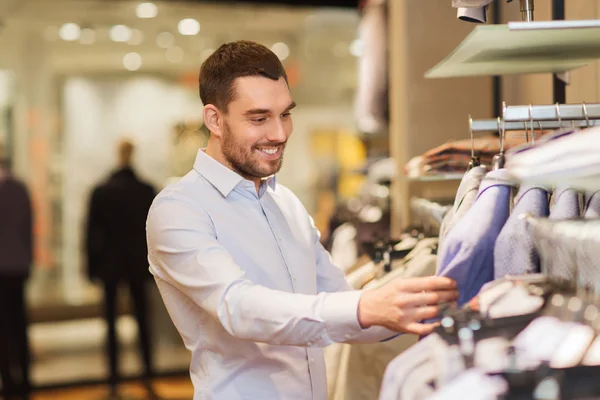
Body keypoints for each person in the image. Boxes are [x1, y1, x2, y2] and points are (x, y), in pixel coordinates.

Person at [146, 40, 459, 400]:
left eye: (285, 114)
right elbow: (239, 308)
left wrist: (441, 306)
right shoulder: (178, 209)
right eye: (259, 118)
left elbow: (345, 312)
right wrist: (364, 307)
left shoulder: (287, 203)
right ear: (214, 119)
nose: (279, 134)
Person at [85, 140, 157, 399]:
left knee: (112, 324)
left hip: (111, 265)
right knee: (142, 321)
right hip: (138, 264)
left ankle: (114, 380)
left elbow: (92, 233)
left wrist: (92, 268)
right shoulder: (145, 190)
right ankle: (147, 375)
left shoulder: (102, 190)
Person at [0, 153, 33, 400]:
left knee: (4, 327)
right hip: (18, 266)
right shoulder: (20, 188)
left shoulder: (18, 189)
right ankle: (24, 380)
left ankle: (10, 381)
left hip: (4, 268)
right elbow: (28, 229)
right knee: (19, 325)